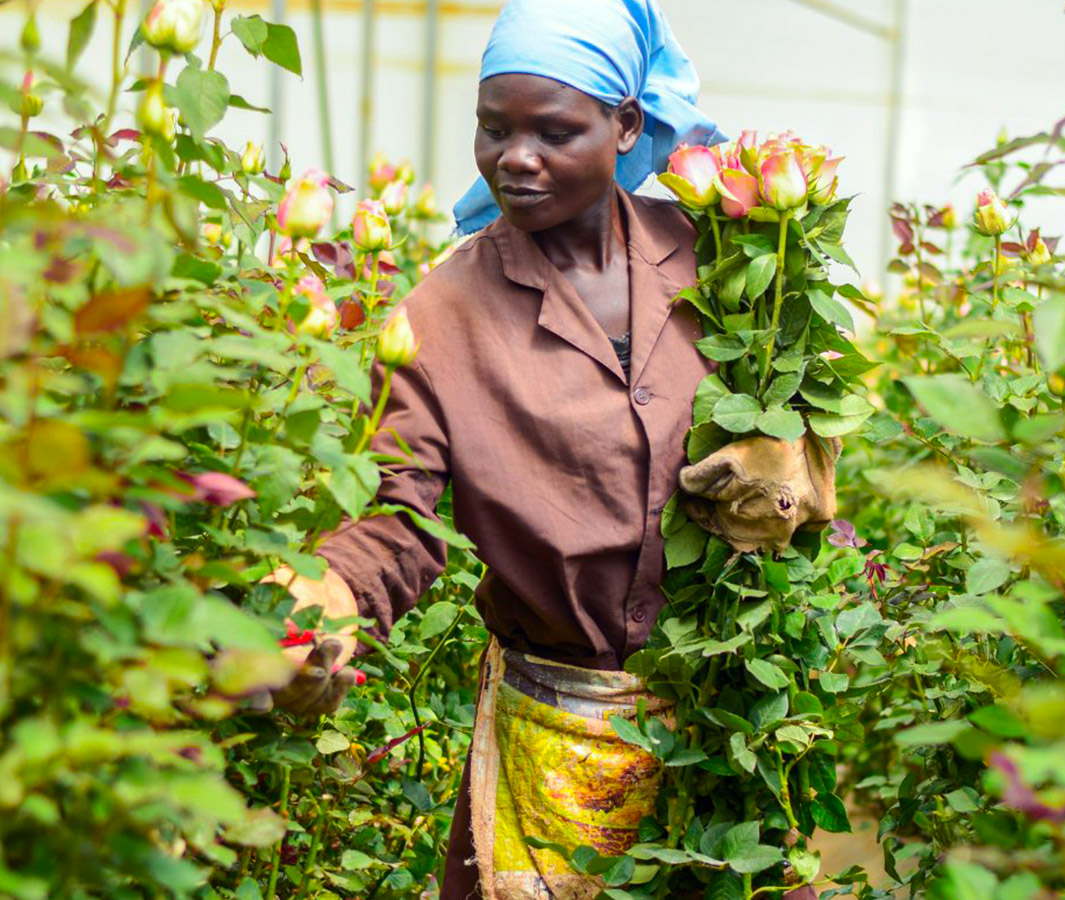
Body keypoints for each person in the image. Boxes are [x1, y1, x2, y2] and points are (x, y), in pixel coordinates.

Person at [263, 1, 835, 897]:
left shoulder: (720, 263)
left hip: (724, 733)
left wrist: (797, 472)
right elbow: (401, 520)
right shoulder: (442, 316)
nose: (514, 158)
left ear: (626, 126)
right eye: (494, 129)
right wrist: (318, 601)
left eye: (554, 131)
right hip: (552, 744)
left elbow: (809, 420)